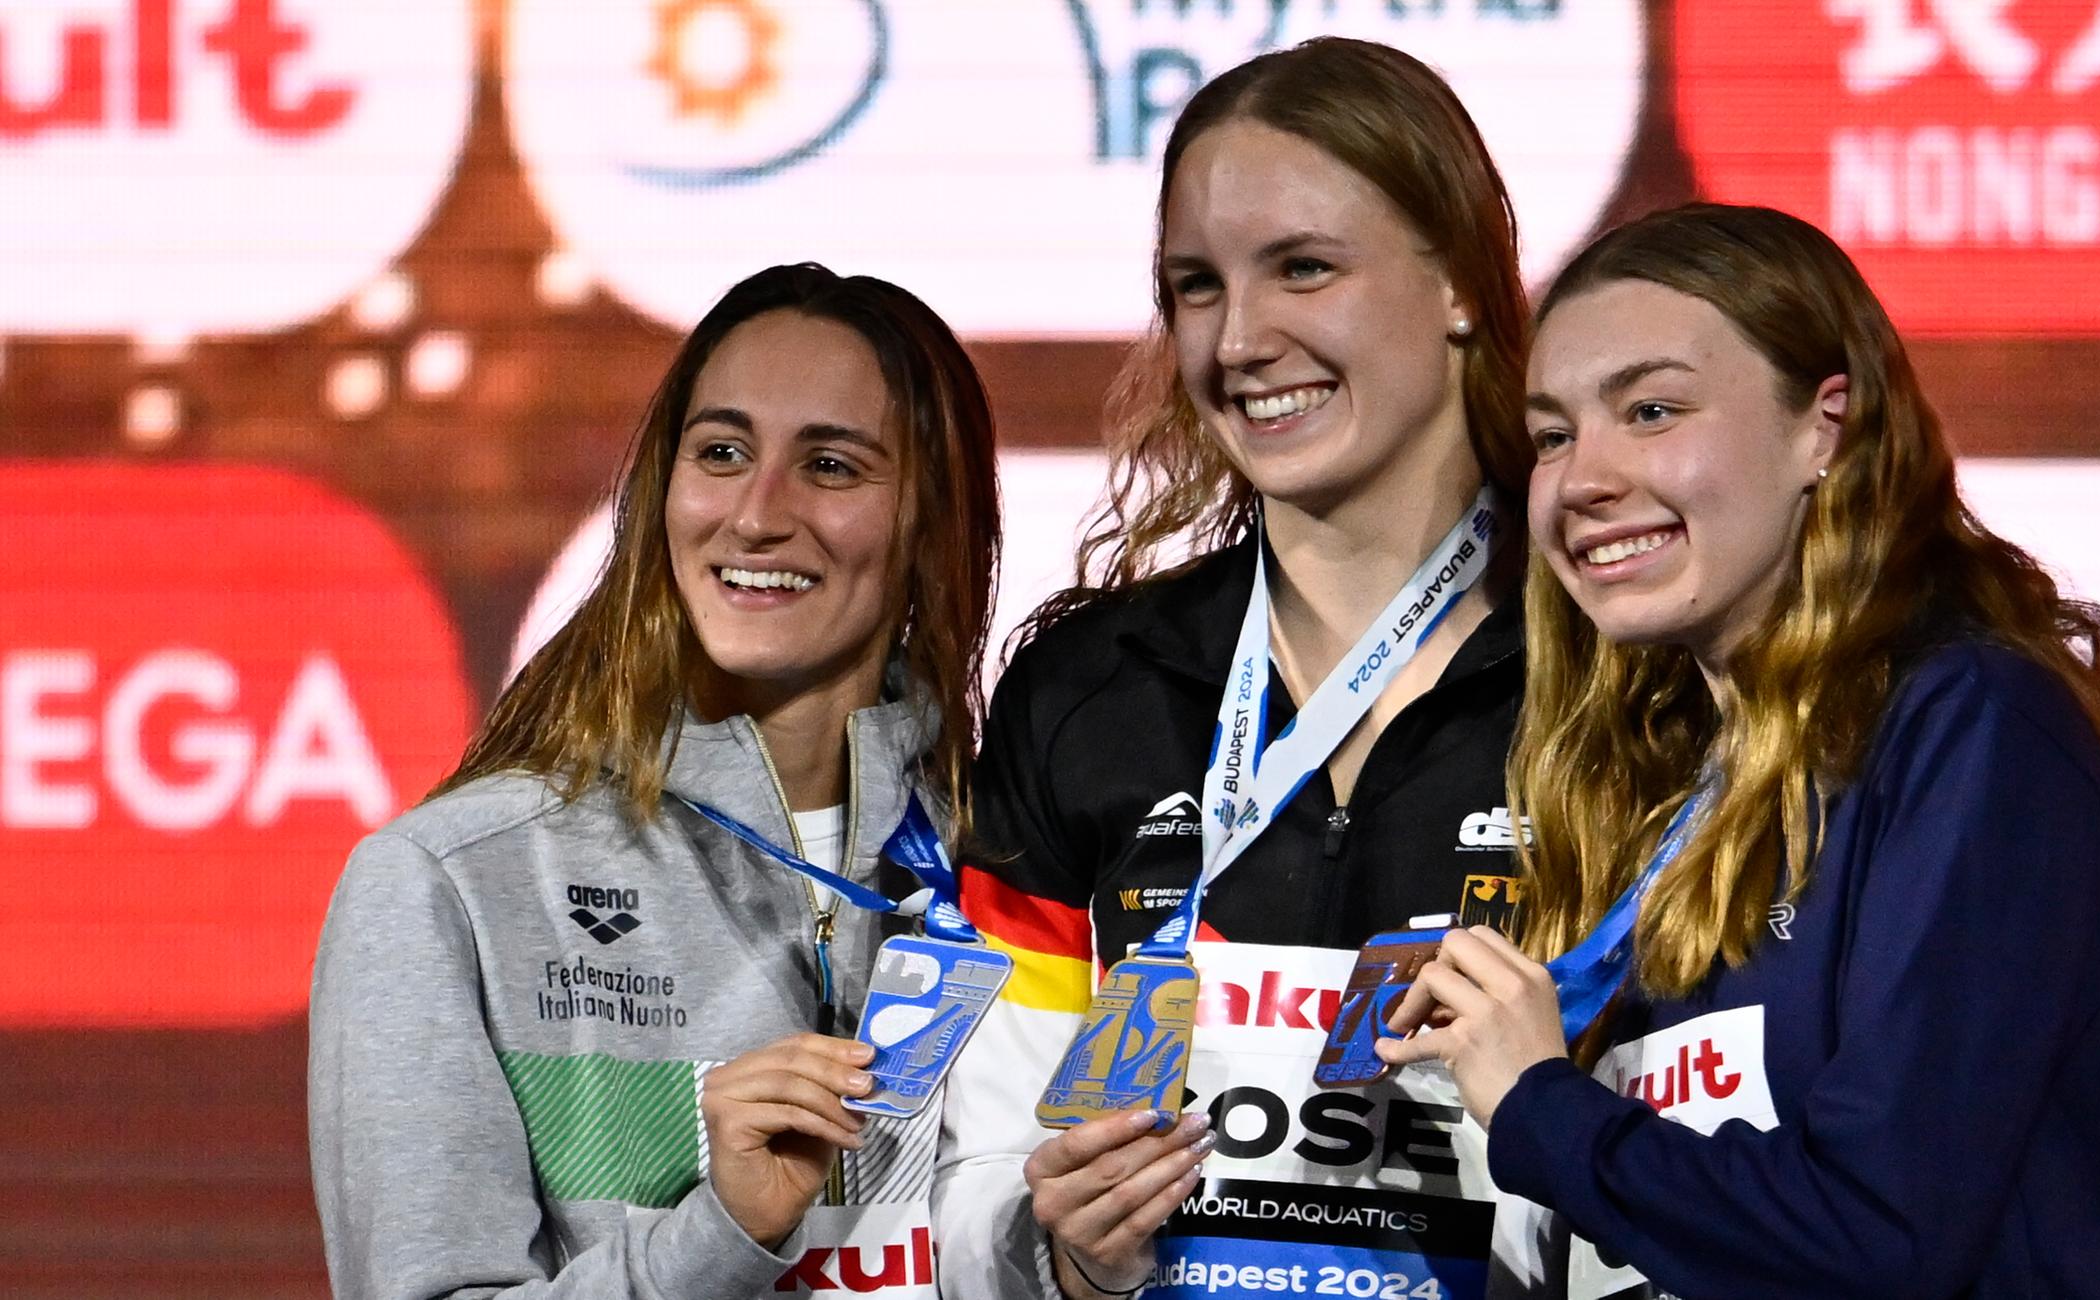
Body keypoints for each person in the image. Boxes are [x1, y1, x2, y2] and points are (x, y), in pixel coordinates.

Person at [1374, 202, 2100, 1298]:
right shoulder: (1649, 785)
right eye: (1552, 434)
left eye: (1650, 409)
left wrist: (1540, 1101)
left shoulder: (1972, 734)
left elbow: (1878, 1235)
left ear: (1822, 427)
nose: (1584, 478)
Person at [938, 37, 1536, 1300]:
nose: (1240, 338)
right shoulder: (1091, 689)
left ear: (1457, 284)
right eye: (1194, 286)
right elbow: (976, 1166)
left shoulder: (1612, 674)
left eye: (1303, 269)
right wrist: (1065, 1256)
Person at [308, 263, 1001, 1299]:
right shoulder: (451, 882)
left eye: (831, 465)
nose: (757, 514)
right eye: (721, 452)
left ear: (928, 520)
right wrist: (718, 1233)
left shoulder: (1019, 866)